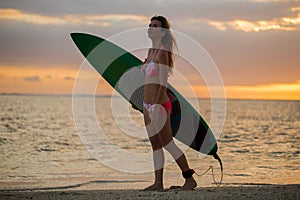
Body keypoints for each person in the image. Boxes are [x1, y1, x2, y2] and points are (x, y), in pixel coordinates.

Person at [141, 15, 197, 191]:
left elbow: (163, 83)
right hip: (146, 105)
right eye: (149, 25)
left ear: (163, 32)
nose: (150, 28)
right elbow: (147, 81)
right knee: (155, 146)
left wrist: (157, 106)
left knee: (167, 143)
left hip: (160, 105)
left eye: (155, 26)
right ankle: (158, 183)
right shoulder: (150, 52)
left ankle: (189, 179)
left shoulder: (163, 52)